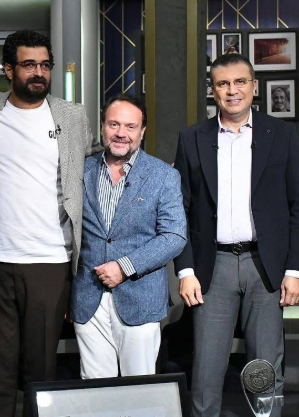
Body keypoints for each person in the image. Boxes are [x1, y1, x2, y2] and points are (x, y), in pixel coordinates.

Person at [0, 29, 101, 416]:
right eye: (29, 65)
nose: (39, 72)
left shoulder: (71, 116)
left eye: (45, 65)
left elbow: (95, 161)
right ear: (8, 70)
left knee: (41, 371)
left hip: (50, 263)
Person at [174, 53, 299, 417]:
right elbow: (179, 211)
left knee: (265, 370)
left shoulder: (281, 135)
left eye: (239, 82)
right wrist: (185, 270)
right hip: (212, 268)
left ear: (253, 86)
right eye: (223, 83)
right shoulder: (191, 139)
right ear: (213, 90)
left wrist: (295, 270)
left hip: (265, 267)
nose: (232, 90)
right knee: (205, 371)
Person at [71, 94, 186, 379]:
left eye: (130, 126)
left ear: (142, 131)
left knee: (139, 390)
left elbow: (174, 235)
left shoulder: (163, 175)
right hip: (88, 298)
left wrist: (124, 266)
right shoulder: (80, 170)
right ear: (102, 127)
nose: (121, 133)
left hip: (140, 298)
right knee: (95, 391)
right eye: (114, 124)